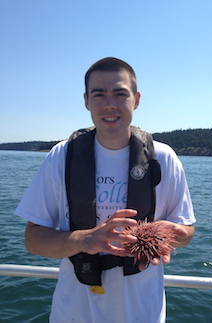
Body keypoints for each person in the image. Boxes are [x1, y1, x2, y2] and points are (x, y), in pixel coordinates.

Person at [15, 57, 195, 323]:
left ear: (136, 98)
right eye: (99, 95)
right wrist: (86, 240)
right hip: (72, 313)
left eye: (120, 94)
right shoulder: (61, 156)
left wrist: (173, 235)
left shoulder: (164, 159)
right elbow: (33, 239)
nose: (110, 104)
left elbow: (186, 231)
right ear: (86, 100)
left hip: (142, 312)